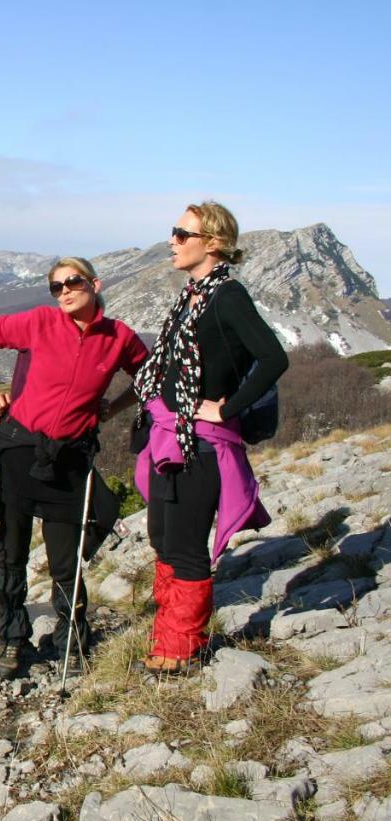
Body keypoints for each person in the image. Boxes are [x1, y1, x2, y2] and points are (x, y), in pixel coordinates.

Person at [0, 257, 148, 678]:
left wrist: (112, 409)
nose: (64, 290)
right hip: (18, 449)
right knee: (12, 552)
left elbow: (149, 375)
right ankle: (12, 638)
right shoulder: (39, 323)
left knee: (65, 561)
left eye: (73, 282)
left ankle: (71, 640)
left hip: (69, 458)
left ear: (94, 284)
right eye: (56, 286)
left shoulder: (119, 337)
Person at [131, 201, 288, 675]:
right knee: (163, 536)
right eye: (173, 233)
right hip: (170, 435)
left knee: (185, 545)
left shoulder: (228, 296)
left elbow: (273, 358)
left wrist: (226, 407)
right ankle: (168, 634)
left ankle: (182, 650)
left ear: (213, 243)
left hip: (200, 441)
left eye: (182, 234)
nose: (173, 242)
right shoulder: (192, 295)